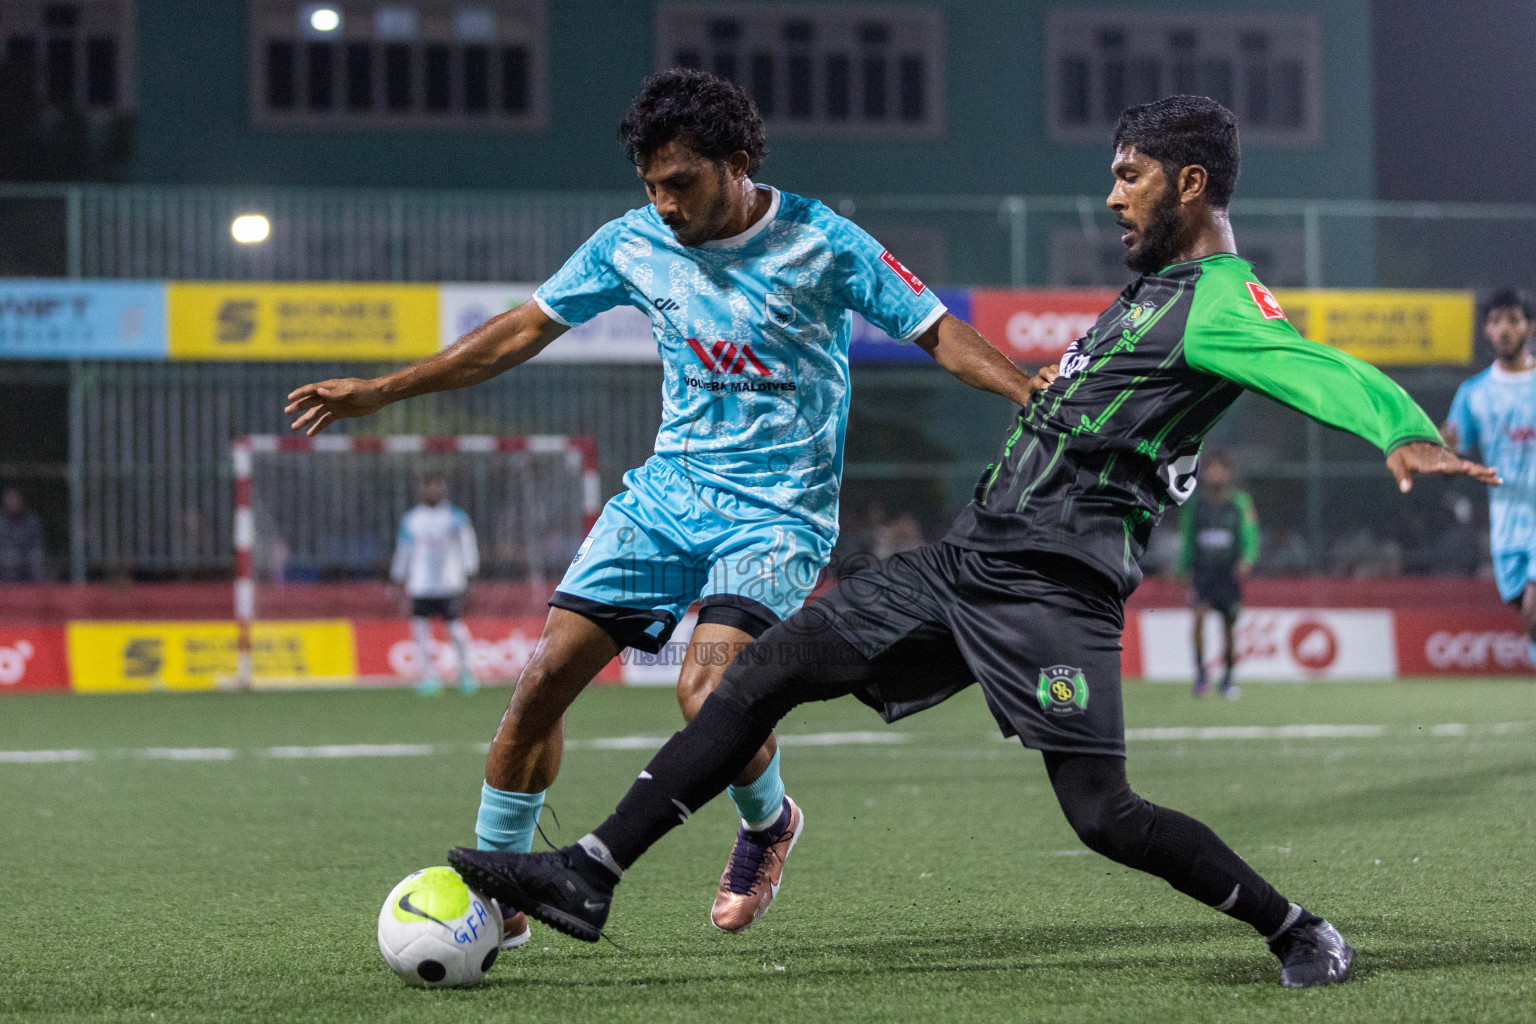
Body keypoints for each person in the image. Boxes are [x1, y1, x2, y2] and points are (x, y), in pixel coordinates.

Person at [447, 95, 1498, 989]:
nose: (1111, 196)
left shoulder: (1218, 301)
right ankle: (589, 868)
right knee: (764, 670)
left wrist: (1401, 430)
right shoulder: (1155, 292)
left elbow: (1309, 362)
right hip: (971, 558)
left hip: (1053, 591)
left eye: (1129, 177)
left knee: (1104, 814)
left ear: (1188, 184)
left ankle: (1294, 926)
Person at [286, 69, 1040, 947]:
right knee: (540, 685)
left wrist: (1028, 392)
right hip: (663, 501)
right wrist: (386, 390)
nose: (664, 205)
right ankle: (497, 891)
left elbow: (935, 328)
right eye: (650, 186)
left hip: (776, 514)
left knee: (709, 691)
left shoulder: (823, 242)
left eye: (680, 183)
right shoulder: (630, 243)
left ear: (739, 161)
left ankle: (768, 824)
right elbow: (522, 328)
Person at [1443, 288, 1536, 665]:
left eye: (1513, 320)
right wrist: (1441, 453)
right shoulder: (1473, 393)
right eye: (1496, 321)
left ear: (1530, 327)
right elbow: (1453, 455)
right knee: (1529, 617)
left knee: (1533, 608)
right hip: (1507, 526)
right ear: (1485, 331)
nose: (1504, 330)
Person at [391, 472, 480, 697]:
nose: (432, 491)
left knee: (455, 629)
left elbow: (467, 546)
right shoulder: (412, 519)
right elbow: (404, 550)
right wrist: (397, 577)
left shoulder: (456, 517)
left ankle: (465, 672)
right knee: (420, 631)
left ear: (444, 489)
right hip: (420, 584)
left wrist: (470, 573)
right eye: (428, 487)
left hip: (449, 583)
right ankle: (429, 676)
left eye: (437, 486)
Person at [1177, 450, 1257, 698]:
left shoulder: (1240, 503)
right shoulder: (1196, 504)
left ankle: (1228, 678)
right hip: (1203, 571)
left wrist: (1248, 559)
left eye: (1220, 468)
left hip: (1227, 572)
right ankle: (1201, 676)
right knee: (1198, 619)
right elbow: (1188, 537)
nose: (1215, 473)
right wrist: (1183, 568)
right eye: (1211, 469)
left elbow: (1250, 534)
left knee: (1228, 625)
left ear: (1229, 474)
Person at [0, 487, 46, 583]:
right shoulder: (2, 522)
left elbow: (37, 543)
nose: (13, 502)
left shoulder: (31, 520)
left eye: (15, 499)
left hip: (27, 559)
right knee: (9, 561)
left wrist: (32, 556)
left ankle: (38, 594)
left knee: (36, 559)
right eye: (10, 499)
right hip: (7, 562)